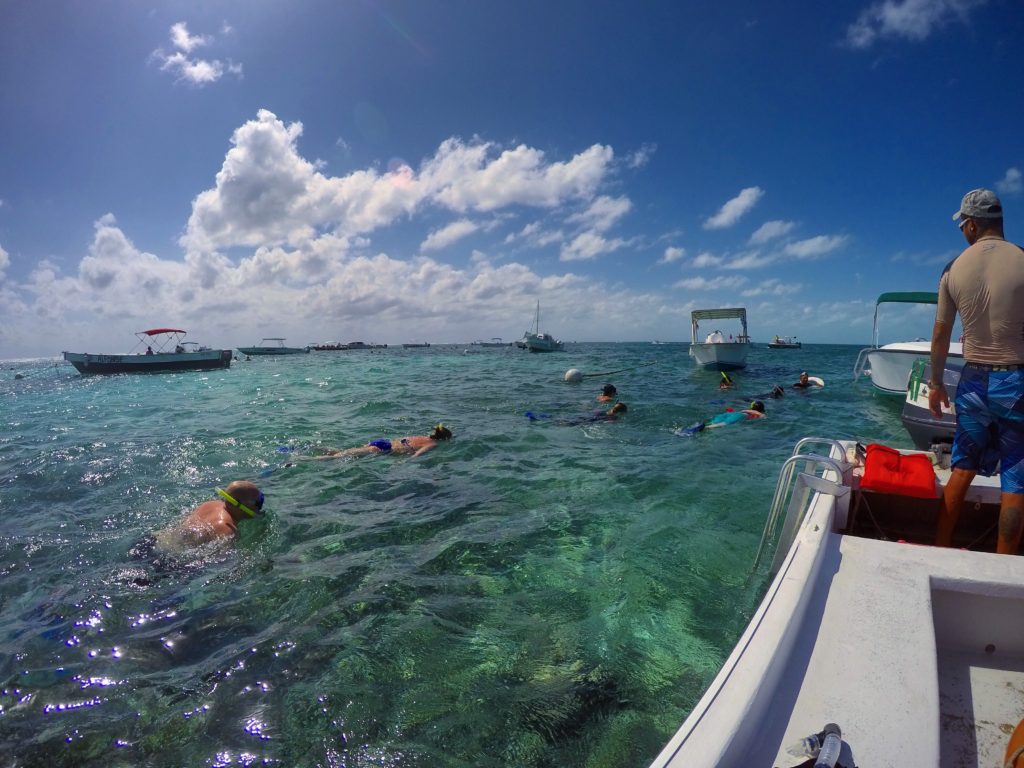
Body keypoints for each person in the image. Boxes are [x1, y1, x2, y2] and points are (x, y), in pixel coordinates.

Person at [929, 188, 1024, 554]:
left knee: (962, 467)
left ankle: (940, 547)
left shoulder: (954, 269)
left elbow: (940, 335)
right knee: (1015, 476)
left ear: (971, 224)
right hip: (1015, 379)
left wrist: (936, 384)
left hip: (972, 381)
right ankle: (1004, 568)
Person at [155, 480, 265, 549]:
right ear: (238, 505)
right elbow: (221, 562)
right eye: (258, 502)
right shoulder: (227, 528)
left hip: (157, 540)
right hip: (171, 558)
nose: (259, 506)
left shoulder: (209, 504)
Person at [315, 424, 453, 459]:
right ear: (444, 439)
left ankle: (317, 448)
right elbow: (416, 455)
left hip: (382, 442)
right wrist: (403, 462)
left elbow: (405, 441)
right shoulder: (432, 444)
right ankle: (306, 458)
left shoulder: (423, 437)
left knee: (343, 452)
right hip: (383, 449)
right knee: (336, 457)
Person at [557, 402, 627, 425]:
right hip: (591, 421)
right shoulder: (614, 418)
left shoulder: (603, 410)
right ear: (620, 412)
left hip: (586, 416)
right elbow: (609, 422)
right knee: (572, 423)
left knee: (570, 421)